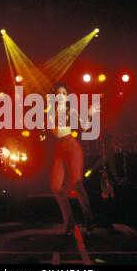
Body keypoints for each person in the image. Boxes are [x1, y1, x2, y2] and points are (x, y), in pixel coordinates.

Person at [49, 83, 94, 236]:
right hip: (58, 147)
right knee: (55, 186)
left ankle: (89, 222)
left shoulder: (71, 110)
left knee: (77, 185)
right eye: (58, 92)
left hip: (71, 145)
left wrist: (89, 114)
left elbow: (85, 127)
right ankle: (69, 223)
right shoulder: (49, 111)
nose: (61, 94)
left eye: (64, 92)